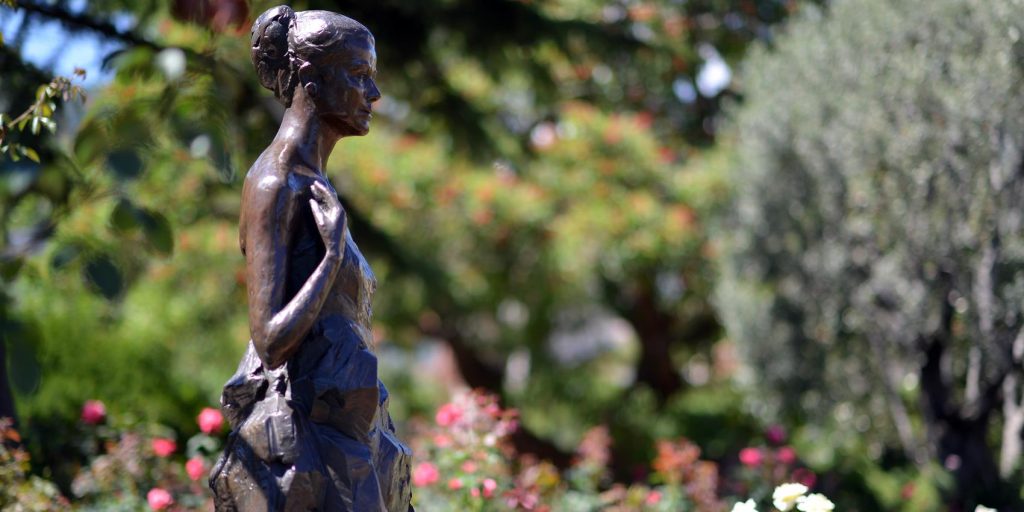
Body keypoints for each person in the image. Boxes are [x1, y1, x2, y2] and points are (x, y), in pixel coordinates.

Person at [209, 6, 413, 511]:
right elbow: (270, 341)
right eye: (359, 74)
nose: (373, 93)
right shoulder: (276, 184)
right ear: (310, 77)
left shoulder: (315, 183)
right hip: (306, 445)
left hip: (347, 431)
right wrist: (331, 259)